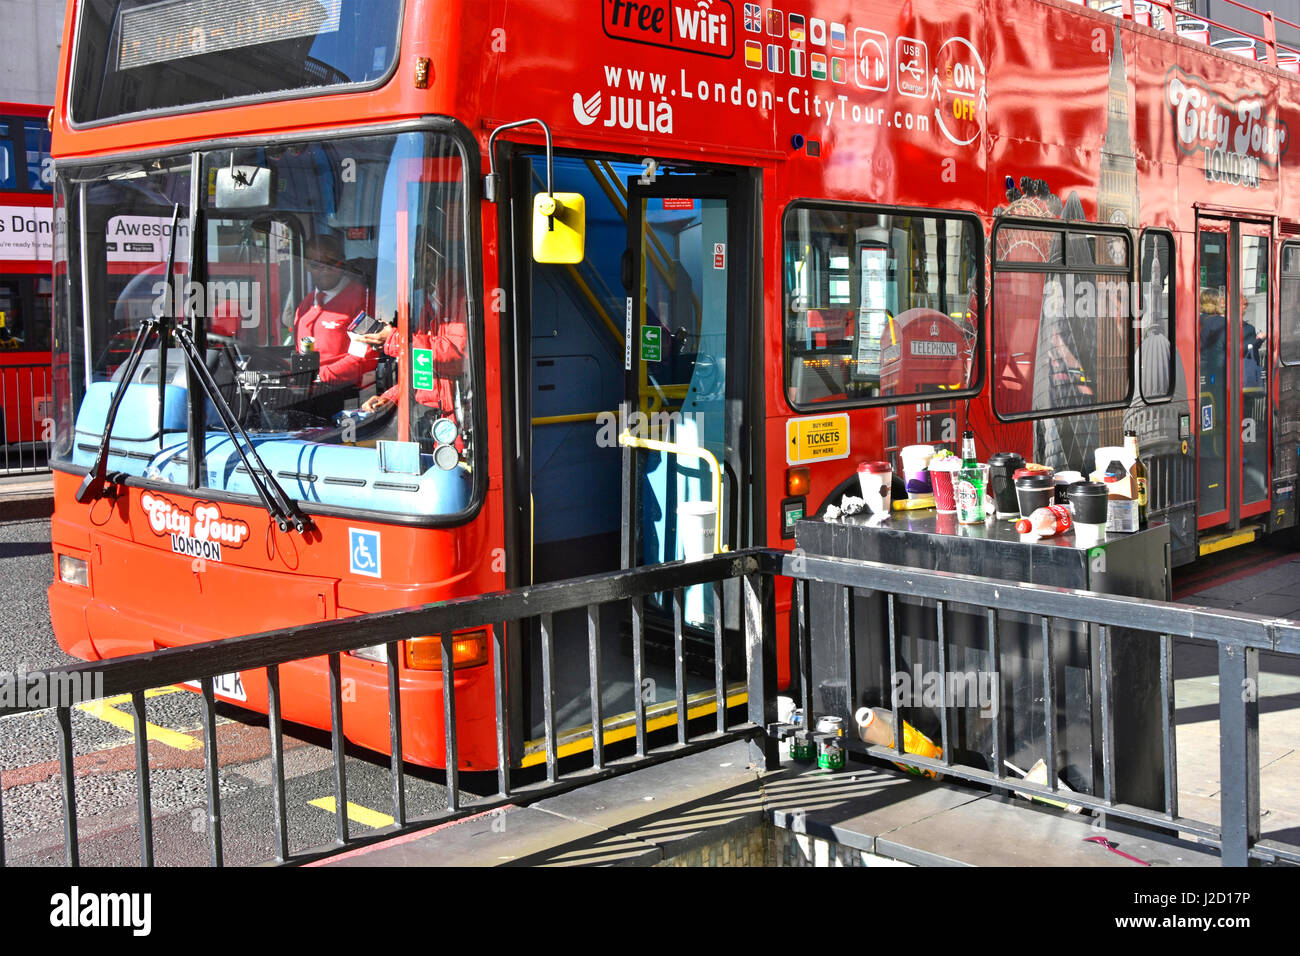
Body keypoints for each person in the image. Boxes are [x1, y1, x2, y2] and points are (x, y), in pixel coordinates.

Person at [359, 235, 467, 430]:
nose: (401, 279)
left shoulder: (461, 295)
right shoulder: (429, 301)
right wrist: (391, 398)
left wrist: (393, 338)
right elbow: (423, 367)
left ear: (427, 260)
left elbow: (457, 354)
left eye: (405, 268)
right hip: (439, 415)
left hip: (460, 418)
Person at [294, 234, 377, 387]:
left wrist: (319, 376)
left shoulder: (364, 302)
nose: (325, 270)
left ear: (343, 262)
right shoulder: (304, 307)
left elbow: (362, 358)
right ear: (306, 265)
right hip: (306, 393)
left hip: (346, 394)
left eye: (332, 263)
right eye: (316, 265)